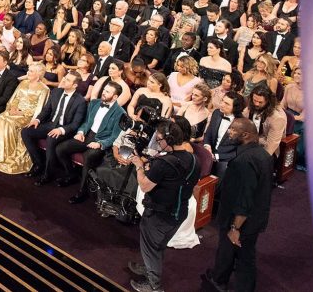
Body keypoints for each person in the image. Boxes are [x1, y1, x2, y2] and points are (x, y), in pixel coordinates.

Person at [126, 119, 200, 292]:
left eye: (159, 139)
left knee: (152, 247)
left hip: (159, 215)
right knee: (157, 246)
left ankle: (154, 285)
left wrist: (139, 166)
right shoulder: (194, 160)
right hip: (179, 212)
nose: (157, 142)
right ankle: (150, 268)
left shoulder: (163, 163)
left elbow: (144, 185)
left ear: (169, 140)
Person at [203, 118, 274, 292]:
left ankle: (231, 285)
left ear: (245, 135)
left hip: (240, 220)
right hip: (255, 217)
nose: (229, 132)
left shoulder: (244, 161)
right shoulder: (263, 154)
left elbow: (245, 197)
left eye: (233, 130)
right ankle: (219, 278)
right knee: (229, 252)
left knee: (243, 257)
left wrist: (235, 227)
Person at [56, 81, 126, 204]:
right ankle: (71, 175)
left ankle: (83, 192)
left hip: (101, 141)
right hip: (87, 136)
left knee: (88, 157)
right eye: (104, 90)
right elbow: (86, 122)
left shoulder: (120, 113)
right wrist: (81, 132)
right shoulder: (94, 103)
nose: (103, 92)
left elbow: (115, 136)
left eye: (107, 92)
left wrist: (100, 144)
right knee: (60, 149)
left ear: (115, 97)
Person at [0, 62, 49, 173]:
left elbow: (39, 109)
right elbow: (14, 98)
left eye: (31, 71)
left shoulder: (44, 89)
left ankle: (7, 154)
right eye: (29, 70)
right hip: (14, 111)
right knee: (1, 117)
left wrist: (22, 113)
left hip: (27, 116)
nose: (28, 72)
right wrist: (13, 108)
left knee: (9, 122)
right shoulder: (23, 83)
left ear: (38, 75)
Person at [23, 70, 88, 183]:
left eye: (67, 80)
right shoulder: (57, 92)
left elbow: (76, 124)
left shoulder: (80, 101)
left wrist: (61, 130)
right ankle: (38, 164)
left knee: (51, 138)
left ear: (75, 85)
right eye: (65, 77)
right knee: (26, 132)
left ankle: (48, 175)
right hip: (50, 124)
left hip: (65, 129)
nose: (63, 79)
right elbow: (46, 110)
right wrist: (37, 119)